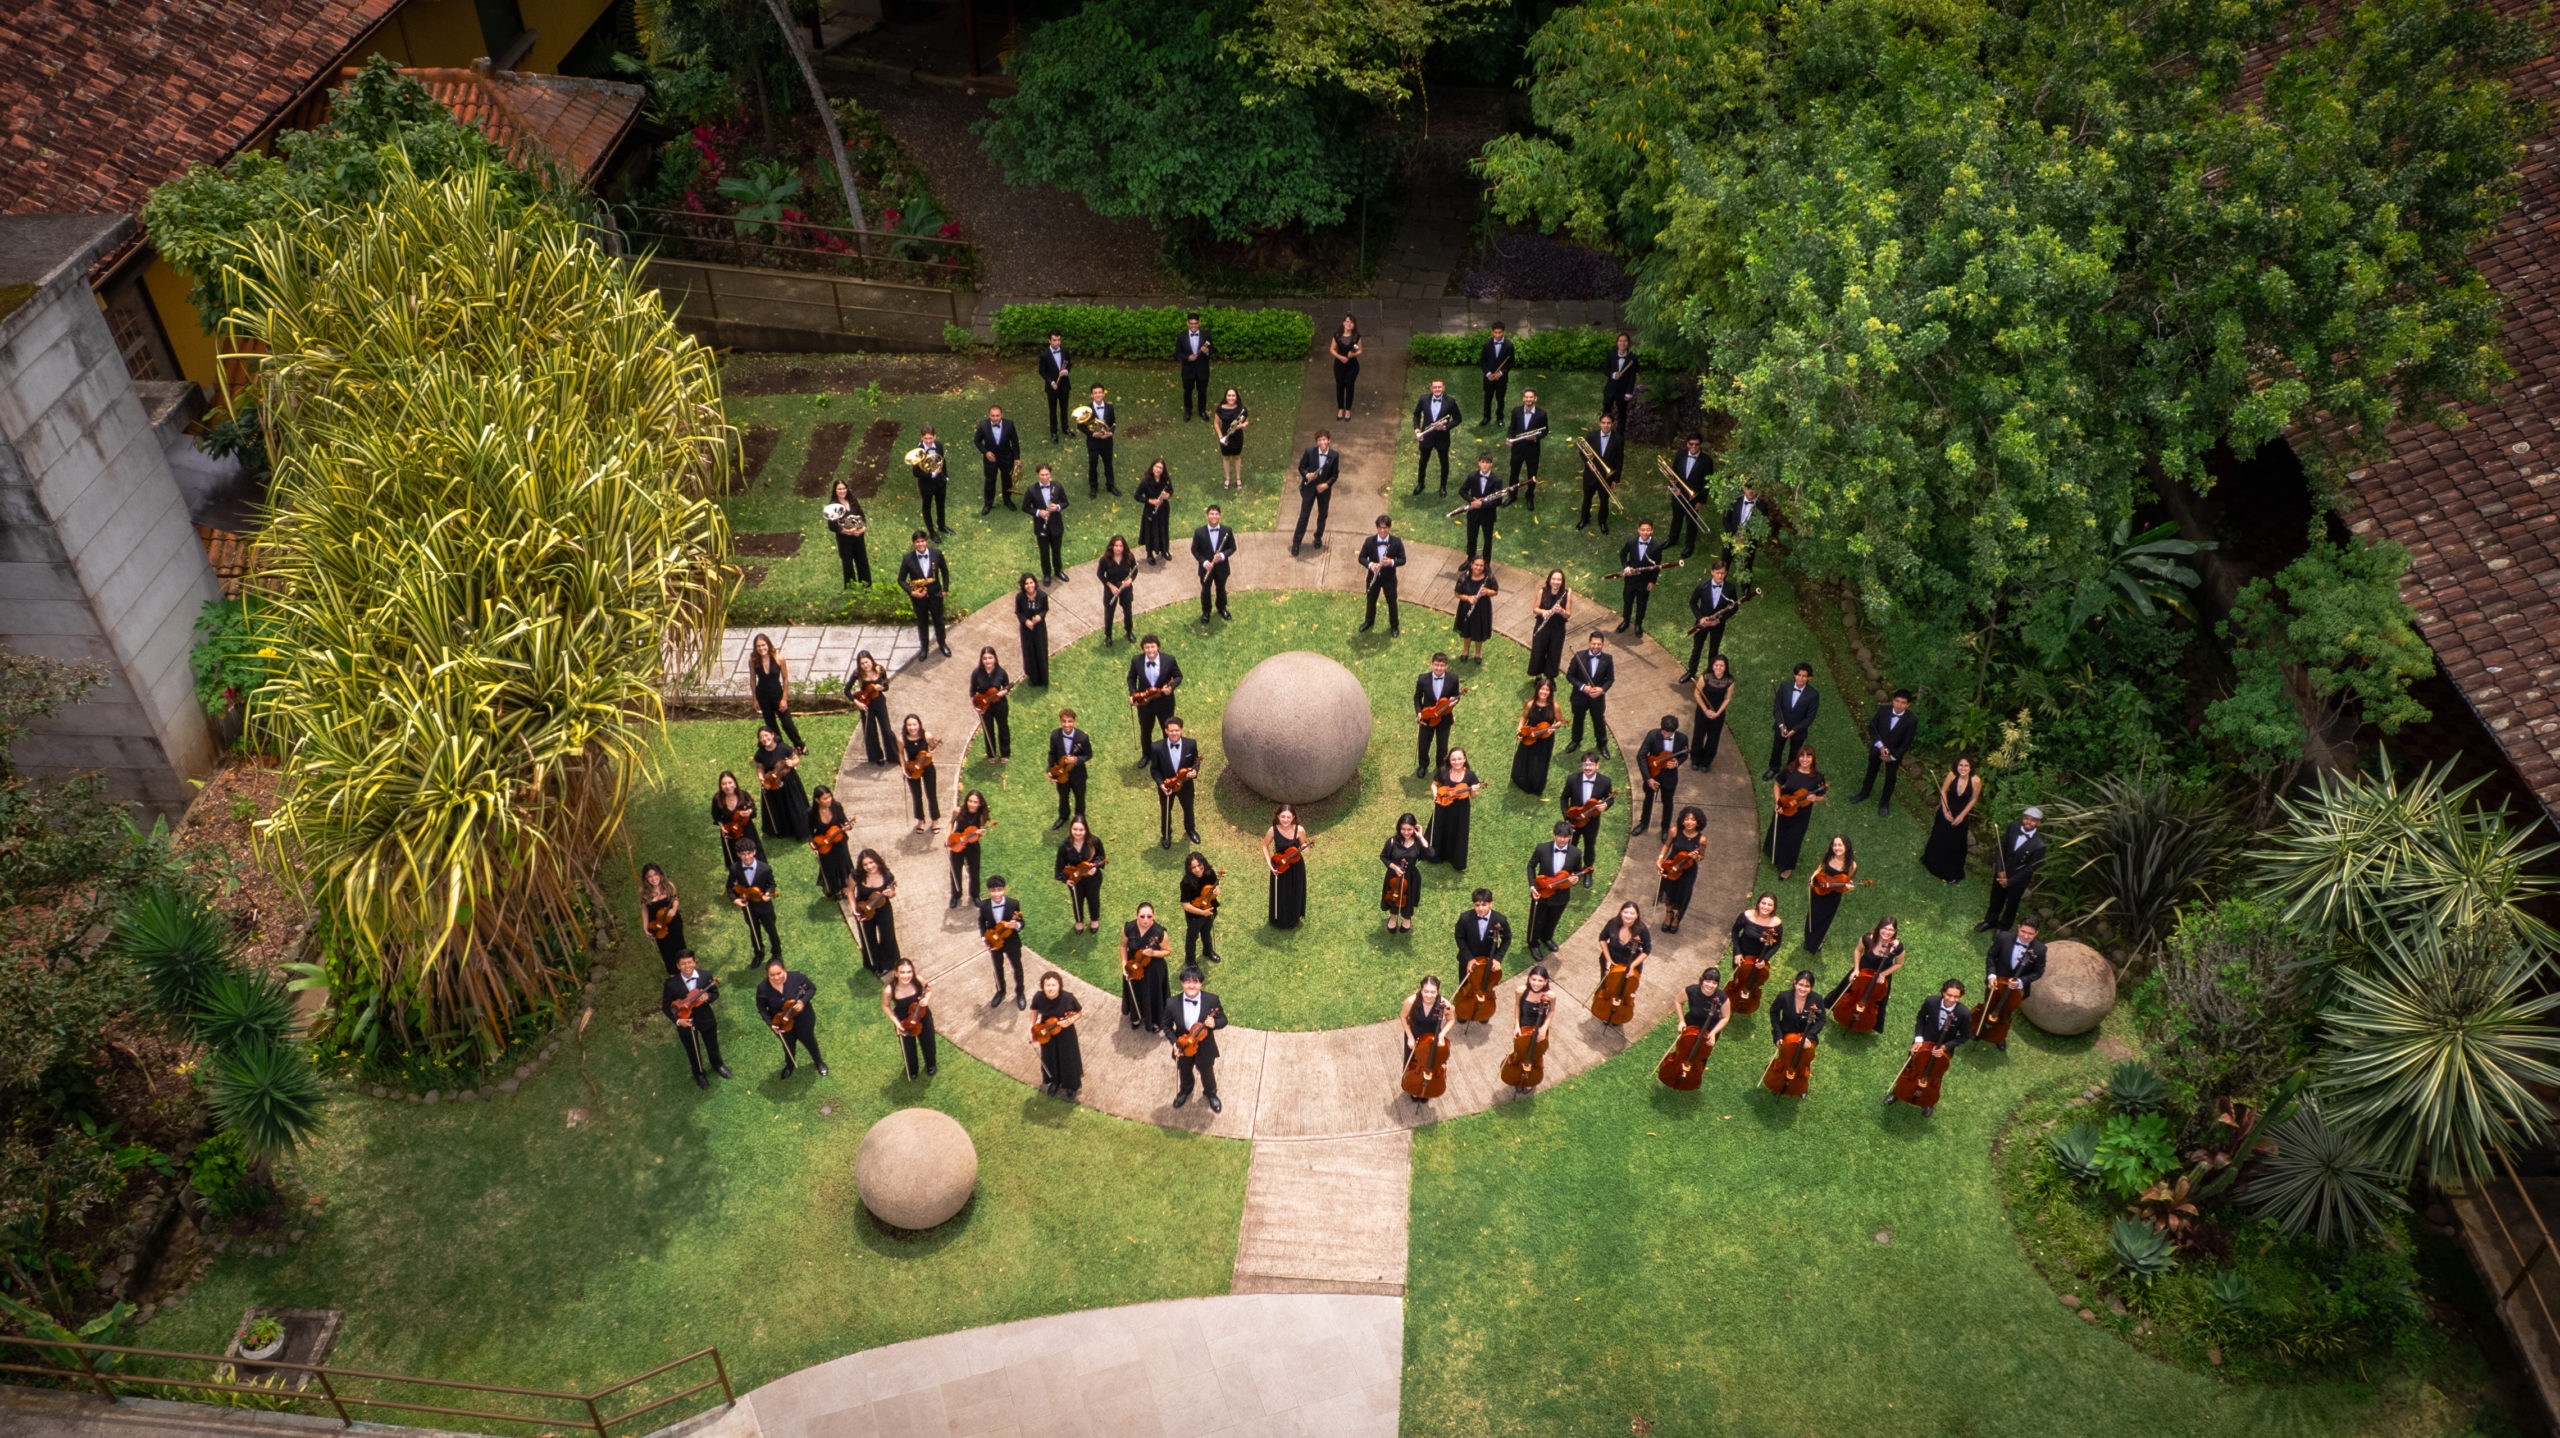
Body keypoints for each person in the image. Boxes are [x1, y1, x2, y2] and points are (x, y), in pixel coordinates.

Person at [1885, 979, 1973, 1116]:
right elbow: (1921, 1018)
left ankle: (1929, 1102)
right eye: (1949, 995)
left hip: (1942, 1052)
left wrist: (1945, 1047)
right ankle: (1897, 1093)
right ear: (1943, 992)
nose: (1951, 999)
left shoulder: (1964, 1013)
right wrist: (1918, 1039)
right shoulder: (1931, 1001)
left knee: (1936, 1076)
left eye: (1956, 997)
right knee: (1910, 1068)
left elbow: (1965, 1036)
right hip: (1923, 1043)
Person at [1765, 969, 1847, 1098]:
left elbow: (1821, 1019)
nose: (1803, 989)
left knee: (1804, 1061)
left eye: (1807, 986)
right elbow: (1774, 1012)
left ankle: (1802, 1087)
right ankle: (1778, 1081)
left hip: (1808, 1036)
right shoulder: (1784, 996)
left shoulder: (1817, 999)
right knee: (1784, 1058)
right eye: (1801, 985)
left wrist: (1809, 1036)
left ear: (1811, 987)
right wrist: (1778, 1034)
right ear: (1795, 983)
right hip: (1786, 1033)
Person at [662, 953, 729, 1088]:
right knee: (692, 1050)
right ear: (678, 966)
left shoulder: (706, 976)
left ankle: (718, 1065)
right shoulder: (671, 984)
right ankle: (699, 1074)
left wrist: (708, 997)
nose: (687, 966)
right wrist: (678, 1022)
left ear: (694, 963)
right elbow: (666, 1007)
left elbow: (715, 993)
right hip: (685, 1021)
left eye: (689, 962)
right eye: (683, 963)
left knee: (712, 1045)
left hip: (706, 1017)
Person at [1977, 807, 2048, 933]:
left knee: (2011, 905)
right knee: (1995, 899)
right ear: (2022, 818)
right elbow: (2000, 848)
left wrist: (2009, 882)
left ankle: (2003, 927)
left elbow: (2029, 869)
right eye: (2026, 818)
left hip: (2017, 882)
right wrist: (1999, 870)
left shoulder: (2039, 845)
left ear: (2038, 823)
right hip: (2001, 874)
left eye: (2033, 820)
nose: (2028, 822)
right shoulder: (2013, 827)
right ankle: (1990, 921)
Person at [1167, 967, 1228, 1112]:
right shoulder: (1172, 1003)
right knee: (1184, 1071)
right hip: (1183, 1046)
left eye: (1195, 982)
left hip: (1205, 1047)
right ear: (1182, 983)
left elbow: (1223, 1020)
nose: (1191, 985)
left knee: (1207, 1072)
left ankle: (1211, 1093)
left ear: (1201, 984)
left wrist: (1214, 1024)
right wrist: (1175, 1043)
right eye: (1187, 982)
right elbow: (1166, 1025)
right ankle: (1185, 1091)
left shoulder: (1212, 1000)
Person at [1979, 921, 2047, 1050]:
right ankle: (1979, 1028)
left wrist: (2021, 981)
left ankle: (2000, 1036)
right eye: (2023, 931)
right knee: (1988, 1005)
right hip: (1996, 984)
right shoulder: (2003, 937)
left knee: (2006, 1013)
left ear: (2036, 933)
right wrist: (1991, 975)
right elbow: (1991, 956)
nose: (2025, 936)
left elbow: (2038, 972)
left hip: (2016, 991)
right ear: (2018, 928)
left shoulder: (2040, 949)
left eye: (2030, 934)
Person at [755, 959, 827, 1079]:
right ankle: (789, 1066)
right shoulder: (763, 988)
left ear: (784, 969)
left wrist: (803, 1002)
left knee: (810, 1042)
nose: (776, 977)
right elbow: (761, 1008)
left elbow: (811, 989)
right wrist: (771, 1024)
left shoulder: (797, 978)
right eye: (772, 975)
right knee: (788, 1046)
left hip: (803, 1020)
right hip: (782, 1024)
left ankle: (819, 1062)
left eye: (779, 973)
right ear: (767, 974)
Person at [1525, 822, 1587, 961]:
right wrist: (1532, 886)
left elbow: (1577, 871)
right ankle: (1533, 943)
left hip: (1561, 894)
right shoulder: (1542, 848)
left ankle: (1547, 938)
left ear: (1570, 837)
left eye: (1565, 837)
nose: (1562, 839)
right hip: (1542, 891)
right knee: (1537, 920)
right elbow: (1531, 866)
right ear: (1554, 835)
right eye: (1559, 836)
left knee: (1553, 919)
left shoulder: (1576, 853)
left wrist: (1575, 878)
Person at [1850, 690, 1918, 816]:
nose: (1899, 705)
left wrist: (1892, 756)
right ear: (1893, 700)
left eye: (1903, 703)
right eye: (1897, 701)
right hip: (1877, 749)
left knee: (1890, 778)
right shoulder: (1883, 711)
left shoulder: (1911, 720)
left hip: (1894, 755)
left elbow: (1906, 742)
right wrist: (1880, 746)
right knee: (1871, 771)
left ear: (1908, 705)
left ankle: (1884, 802)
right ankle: (1864, 792)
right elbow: (1872, 728)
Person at [1835, 917, 1906, 1032]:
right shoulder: (1868, 939)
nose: (1887, 932)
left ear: (1895, 931)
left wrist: (1883, 974)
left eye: (1891, 930)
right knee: (1849, 991)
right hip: (1862, 970)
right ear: (1879, 928)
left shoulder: (1897, 947)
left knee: (1876, 1000)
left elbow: (1899, 964)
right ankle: (1840, 1011)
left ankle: (1868, 1021)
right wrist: (1856, 969)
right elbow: (1857, 951)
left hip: (1881, 976)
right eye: (1884, 928)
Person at [1768, 746, 1828, 878]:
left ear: (1813, 758)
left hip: (1800, 816)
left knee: (1793, 841)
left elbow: (1822, 796)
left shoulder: (1817, 778)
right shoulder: (1790, 770)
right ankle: (1775, 856)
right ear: (1798, 757)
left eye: (1808, 756)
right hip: (1784, 808)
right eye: (1802, 756)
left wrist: (1815, 798)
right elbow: (1777, 784)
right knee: (1779, 835)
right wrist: (1777, 802)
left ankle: (1787, 868)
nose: (1805, 759)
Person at [1923, 756, 1983, 884]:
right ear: (1957, 766)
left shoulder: (1976, 780)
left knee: (1956, 844)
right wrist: (1945, 810)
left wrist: (1961, 816)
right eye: (1961, 765)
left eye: (1966, 765)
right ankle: (1932, 863)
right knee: (1939, 837)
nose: (1963, 768)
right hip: (1946, 810)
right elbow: (1943, 791)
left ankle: (1951, 873)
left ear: (1971, 767)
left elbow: (1973, 799)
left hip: (1961, 813)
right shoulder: (1952, 775)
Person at [1680, 562, 1741, 680]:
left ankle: (1709, 675)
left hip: (1718, 625)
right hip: (1703, 623)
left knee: (1714, 650)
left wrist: (1720, 619)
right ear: (1712, 572)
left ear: (1726, 573)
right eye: (1718, 573)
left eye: (1723, 573)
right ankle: (1691, 671)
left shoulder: (1730, 588)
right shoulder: (1702, 586)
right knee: (1697, 648)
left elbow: (1735, 607)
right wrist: (1700, 618)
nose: (1720, 576)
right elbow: (1692, 603)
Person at [1631, 714, 1690, 836]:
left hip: (1670, 777)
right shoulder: (1652, 735)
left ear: (1675, 731)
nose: (1665, 735)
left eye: (1669, 734)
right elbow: (1641, 756)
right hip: (1653, 773)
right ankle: (1643, 823)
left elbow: (1684, 755)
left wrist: (1677, 763)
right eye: (1664, 732)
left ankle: (1665, 828)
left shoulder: (1682, 738)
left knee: (1668, 802)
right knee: (1648, 799)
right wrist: (1648, 778)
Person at [1126, 634, 1183, 758]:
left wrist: (1171, 687)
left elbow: (1178, 676)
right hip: (1144, 704)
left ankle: (1168, 754)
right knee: (1145, 731)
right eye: (1147, 648)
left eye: (1153, 647)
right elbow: (1131, 678)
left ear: (1158, 647)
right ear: (1143, 649)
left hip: (1165, 704)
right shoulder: (1136, 661)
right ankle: (1146, 755)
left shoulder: (1169, 660)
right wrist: (1133, 694)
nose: (1150, 650)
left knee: (1166, 729)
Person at [1427, 747, 1484, 872]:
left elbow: (1474, 797)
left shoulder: (1470, 775)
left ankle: (1456, 860)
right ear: (1449, 760)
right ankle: (1436, 855)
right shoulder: (1443, 771)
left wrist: (1474, 790)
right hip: (1443, 805)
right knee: (1439, 829)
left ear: (1464, 759)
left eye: (1459, 759)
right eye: (1453, 759)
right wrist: (1435, 793)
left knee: (1458, 832)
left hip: (1460, 810)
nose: (1456, 762)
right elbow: (1434, 784)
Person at [1028, 971, 1083, 1098]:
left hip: (1066, 1033)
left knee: (1068, 1058)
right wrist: (1031, 1027)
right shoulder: (1038, 997)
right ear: (1043, 986)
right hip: (1046, 1031)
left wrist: (1069, 1021)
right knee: (1049, 1057)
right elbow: (1034, 1009)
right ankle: (1055, 1082)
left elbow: (1079, 1013)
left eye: (1054, 985)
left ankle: (1071, 1085)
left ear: (1059, 986)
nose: (1050, 988)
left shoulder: (1068, 998)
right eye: (1047, 985)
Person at [1595, 902, 1650, 1027]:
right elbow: (1602, 938)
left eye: (1632, 913)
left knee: (1625, 991)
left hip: (1630, 965)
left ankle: (1618, 1014)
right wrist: (1608, 959)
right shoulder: (1613, 923)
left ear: (1637, 916)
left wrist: (1632, 966)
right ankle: (1604, 1011)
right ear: (1621, 912)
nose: (1628, 916)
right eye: (1626, 912)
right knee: (1607, 987)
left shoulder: (1641, 929)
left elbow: (1647, 950)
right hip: (1611, 960)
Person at [897, 530, 951, 658]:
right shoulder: (907, 559)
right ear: (913, 543)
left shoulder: (937, 554)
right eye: (917, 542)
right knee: (922, 623)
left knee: (939, 621)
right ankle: (924, 648)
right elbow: (901, 580)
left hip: (935, 595)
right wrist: (912, 592)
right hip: (919, 599)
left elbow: (945, 572)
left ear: (926, 541)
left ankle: (942, 644)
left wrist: (945, 589)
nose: (920, 544)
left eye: (922, 541)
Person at [1151, 716, 1203, 848]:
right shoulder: (1156, 747)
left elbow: (1195, 762)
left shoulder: (1191, 744)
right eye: (1171, 731)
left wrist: (1195, 771)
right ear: (1166, 731)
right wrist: (1161, 784)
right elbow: (1154, 769)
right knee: (1166, 811)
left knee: (1188, 808)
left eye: (1177, 730)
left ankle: (1190, 830)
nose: (1174, 733)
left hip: (1185, 786)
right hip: (1167, 787)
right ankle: (1166, 835)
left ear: (1181, 730)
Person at [1120, 901, 1172, 1032]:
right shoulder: (1129, 927)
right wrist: (1124, 966)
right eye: (1142, 916)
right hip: (1134, 967)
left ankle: (1155, 1020)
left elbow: (1167, 951)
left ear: (1153, 916)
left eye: (1149, 916)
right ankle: (1136, 1015)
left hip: (1154, 970)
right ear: (1136, 915)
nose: (1145, 920)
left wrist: (1153, 953)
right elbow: (1122, 947)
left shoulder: (1160, 932)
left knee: (1153, 994)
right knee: (1135, 991)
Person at [881, 958, 936, 1078]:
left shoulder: (918, 980)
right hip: (903, 1020)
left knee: (928, 1042)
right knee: (908, 1047)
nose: (906, 976)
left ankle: (931, 1065)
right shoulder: (890, 989)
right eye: (902, 972)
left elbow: (928, 990)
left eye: (909, 972)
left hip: (922, 1015)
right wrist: (897, 1023)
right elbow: (885, 1006)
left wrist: (926, 999)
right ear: (896, 973)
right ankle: (913, 1070)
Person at [754, 726, 811, 842]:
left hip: (789, 783)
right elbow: (760, 767)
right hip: (772, 783)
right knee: (778, 807)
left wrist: (791, 762)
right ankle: (781, 830)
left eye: (766, 735)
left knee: (793, 805)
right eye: (761, 737)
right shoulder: (760, 754)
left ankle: (799, 829)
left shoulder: (783, 748)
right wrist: (761, 778)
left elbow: (796, 759)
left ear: (772, 734)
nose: (764, 739)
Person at [1729, 892, 1784, 1011]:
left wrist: (1765, 959)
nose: (1765, 907)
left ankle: (1746, 1000)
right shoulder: (1747, 916)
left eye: (1770, 905)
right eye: (1763, 903)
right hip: (1742, 953)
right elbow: (1734, 932)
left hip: (1760, 956)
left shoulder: (1776, 923)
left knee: (1753, 981)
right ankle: (1732, 998)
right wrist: (1737, 952)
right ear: (1758, 903)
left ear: (1774, 907)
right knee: (1739, 977)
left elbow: (1777, 944)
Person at [730, 838, 782, 964]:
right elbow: (729, 887)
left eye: (748, 853)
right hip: (748, 907)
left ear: (754, 852)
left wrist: (768, 893)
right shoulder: (735, 869)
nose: (746, 857)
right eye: (743, 854)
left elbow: (771, 884)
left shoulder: (764, 868)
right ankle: (758, 952)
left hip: (764, 907)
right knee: (754, 930)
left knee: (771, 930)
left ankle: (777, 952)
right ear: (738, 855)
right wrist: (735, 900)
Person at [1802, 835, 1857, 953]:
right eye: (1834, 845)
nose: (1836, 848)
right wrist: (1813, 876)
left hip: (1833, 896)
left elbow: (1847, 881)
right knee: (1812, 916)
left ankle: (1818, 941)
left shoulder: (1851, 865)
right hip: (1819, 890)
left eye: (1839, 845)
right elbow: (1820, 867)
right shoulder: (1829, 855)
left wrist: (1849, 887)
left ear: (1846, 846)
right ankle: (1808, 939)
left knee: (1824, 919)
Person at [1508, 966, 1558, 1095]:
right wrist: (1517, 1025)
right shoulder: (1521, 991)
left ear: (1546, 981)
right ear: (1529, 978)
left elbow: (1551, 1011)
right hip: (1523, 1025)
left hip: (1540, 1027)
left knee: (1536, 1054)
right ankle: (1518, 1074)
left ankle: (1531, 1080)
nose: (1536, 983)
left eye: (1540, 981)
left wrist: (1544, 1028)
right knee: (1519, 1051)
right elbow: (1517, 1005)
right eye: (1534, 979)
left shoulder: (1550, 995)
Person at [1656, 806, 1706, 932]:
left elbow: (1701, 857)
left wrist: (1696, 857)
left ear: (1698, 822)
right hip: (1672, 865)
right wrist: (1660, 859)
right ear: (1682, 820)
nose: (1689, 822)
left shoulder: (1701, 839)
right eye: (1686, 819)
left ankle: (1677, 918)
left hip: (1688, 870)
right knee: (1669, 890)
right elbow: (1667, 845)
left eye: (1693, 820)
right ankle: (1668, 914)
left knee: (1683, 893)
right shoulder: (1674, 831)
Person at [1663, 434, 1714, 557]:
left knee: (1691, 522)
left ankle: (1689, 546)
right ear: (1687, 444)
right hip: (1678, 493)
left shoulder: (1707, 461)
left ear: (1700, 445)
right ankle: (1672, 539)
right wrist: (1674, 487)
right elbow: (1673, 474)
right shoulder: (1680, 455)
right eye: (1691, 444)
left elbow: (1707, 483)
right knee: (1676, 518)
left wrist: (1701, 500)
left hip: (1694, 496)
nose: (1694, 447)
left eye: (1696, 444)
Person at [1766, 662, 1819, 780]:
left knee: (1795, 753)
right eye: (1799, 675)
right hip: (1781, 727)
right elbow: (1777, 707)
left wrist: (1795, 730)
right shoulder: (1785, 686)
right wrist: (1781, 724)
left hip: (1798, 730)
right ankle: (1773, 768)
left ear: (1809, 678)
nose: (1801, 678)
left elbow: (1810, 717)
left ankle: (1788, 772)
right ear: (1795, 675)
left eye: (1804, 676)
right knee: (1777, 748)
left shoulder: (1813, 694)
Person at [1055, 816, 1107, 936]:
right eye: (1075, 829)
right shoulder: (1064, 846)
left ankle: (1094, 919)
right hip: (1075, 879)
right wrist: (1066, 880)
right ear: (1071, 829)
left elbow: (1101, 858)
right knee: (1077, 901)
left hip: (1093, 878)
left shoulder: (1094, 842)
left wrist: (1095, 867)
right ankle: (1079, 921)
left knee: (1093, 899)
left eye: (1081, 830)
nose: (1078, 833)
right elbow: (1059, 866)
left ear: (1086, 830)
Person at [979, 876, 1026, 1008]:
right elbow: (981, 922)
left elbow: (1021, 921)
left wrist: (1016, 925)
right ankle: (1001, 991)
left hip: (1012, 943)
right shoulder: (984, 906)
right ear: (989, 891)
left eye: (999, 890)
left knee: (1017, 968)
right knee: (997, 968)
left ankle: (1020, 993)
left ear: (1004, 889)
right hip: (995, 943)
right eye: (993, 891)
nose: (997, 894)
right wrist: (984, 938)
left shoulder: (1013, 904)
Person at [1564, 632, 1614, 754]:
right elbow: (1570, 676)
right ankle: (1575, 740)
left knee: (1599, 721)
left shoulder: (1608, 659)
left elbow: (1610, 679)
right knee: (1578, 719)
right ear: (1589, 643)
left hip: (1597, 699)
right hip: (1579, 697)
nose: (1596, 646)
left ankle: (1602, 744)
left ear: (1603, 644)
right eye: (1593, 643)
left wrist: (1602, 689)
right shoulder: (1579, 656)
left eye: (1599, 644)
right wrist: (1582, 687)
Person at [852, 849, 900, 975]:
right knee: (868, 937)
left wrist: (891, 893)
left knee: (887, 936)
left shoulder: (886, 875)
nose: (869, 867)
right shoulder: (857, 875)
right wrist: (853, 908)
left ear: (877, 861)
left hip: (883, 909)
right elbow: (850, 891)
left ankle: (888, 964)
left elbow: (892, 892)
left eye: (871, 862)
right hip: (863, 909)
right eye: (865, 864)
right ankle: (873, 964)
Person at [1413, 651, 1460, 775]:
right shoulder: (1423, 679)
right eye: (1436, 665)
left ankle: (1441, 767)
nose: (1439, 668)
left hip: (1444, 719)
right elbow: (1417, 697)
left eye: (1442, 665)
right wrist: (1419, 712)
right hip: (1428, 717)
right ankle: (1423, 765)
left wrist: (1455, 701)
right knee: (1423, 744)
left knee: (1442, 746)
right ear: (1431, 665)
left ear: (1446, 666)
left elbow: (1456, 695)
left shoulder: (1453, 679)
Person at [1291, 432, 1338, 555]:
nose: (1322, 442)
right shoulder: (1309, 452)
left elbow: (1335, 474)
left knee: (1322, 515)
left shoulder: (1334, 456)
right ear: (1317, 442)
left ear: (1329, 441)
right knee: (1304, 516)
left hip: (1324, 491)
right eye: (1319, 440)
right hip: (1309, 488)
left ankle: (1318, 537)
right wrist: (1307, 475)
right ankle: (1296, 542)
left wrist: (1326, 485)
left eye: (1324, 440)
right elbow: (1301, 467)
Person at [1576, 413, 1624, 534]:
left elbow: (1619, 460)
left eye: (1608, 423)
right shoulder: (1592, 436)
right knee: (1587, 498)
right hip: (1590, 475)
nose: (1606, 425)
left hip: (1607, 476)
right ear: (1599, 423)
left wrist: (1616, 479)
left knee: (1604, 501)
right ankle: (1584, 519)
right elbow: (1582, 451)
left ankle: (1602, 522)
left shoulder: (1618, 439)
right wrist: (1588, 462)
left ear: (1612, 424)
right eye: (1603, 422)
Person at [1359, 514, 1407, 635]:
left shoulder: (1396, 542)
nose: (1382, 530)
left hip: (1389, 578)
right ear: (1376, 528)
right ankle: (1369, 621)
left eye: (1385, 528)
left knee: (1391, 601)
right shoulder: (1369, 541)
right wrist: (1371, 565)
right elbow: (1361, 558)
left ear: (1389, 528)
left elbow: (1402, 559)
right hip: (1373, 578)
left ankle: (1394, 626)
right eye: (1380, 527)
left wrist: (1391, 562)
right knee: (1371, 600)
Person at [845, 651, 894, 766]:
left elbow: (886, 686)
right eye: (862, 664)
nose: (865, 665)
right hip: (865, 705)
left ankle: (892, 755)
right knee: (871, 731)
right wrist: (857, 703)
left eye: (866, 662)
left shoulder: (880, 670)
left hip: (879, 702)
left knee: (886, 729)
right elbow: (846, 690)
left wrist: (880, 688)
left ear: (871, 660)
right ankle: (877, 757)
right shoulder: (857, 674)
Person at [1455, 888, 1512, 987]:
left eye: (1484, 905)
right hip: (1468, 960)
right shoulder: (1465, 918)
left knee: (1486, 987)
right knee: (1464, 988)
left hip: (1488, 962)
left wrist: (1498, 958)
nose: (1480, 908)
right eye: (1477, 905)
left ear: (1491, 904)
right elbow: (1459, 937)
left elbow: (1507, 939)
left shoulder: (1500, 920)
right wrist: (1469, 958)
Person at [1381, 812, 1428, 932]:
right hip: (1394, 875)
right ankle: (1393, 916)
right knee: (1394, 896)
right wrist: (1395, 868)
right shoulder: (1392, 841)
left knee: (1409, 898)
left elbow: (1430, 853)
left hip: (1411, 876)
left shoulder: (1418, 843)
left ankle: (1407, 918)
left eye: (1409, 829)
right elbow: (1384, 857)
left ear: (1414, 828)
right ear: (1399, 828)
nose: (1406, 832)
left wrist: (1421, 837)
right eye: (1403, 829)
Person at [1412, 379, 1460, 495]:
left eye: (1439, 387)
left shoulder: (1450, 402)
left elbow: (1458, 419)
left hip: (1442, 438)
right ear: (1431, 388)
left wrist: (1445, 427)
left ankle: (1443, 487)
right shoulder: (1423, 399)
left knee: (1444, 463)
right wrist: (1417, 428)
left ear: (1443, 388)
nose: (1437, 389)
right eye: (1435, 387)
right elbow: (1416, 415)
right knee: (1423, 461)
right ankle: (1420, 484)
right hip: (1426, 436)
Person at [1513, 679, 1561, 796]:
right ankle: (1521, 780)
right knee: (1524, 757)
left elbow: (1560, 721)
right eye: (1542, 689)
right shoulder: (1530, 704)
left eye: (1547, 690)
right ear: (1538, 690)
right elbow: (1523, 718)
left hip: (1545, 739)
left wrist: (1553, 728)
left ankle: (1536, 784)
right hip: (1529, 735)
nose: (1544, 692)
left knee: (1539, 762)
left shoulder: (1554, 706)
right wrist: (1519, 729)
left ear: (1550, 692)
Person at [1560, 752, 1613, 857]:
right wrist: (1567, 817)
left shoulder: (1605, 782)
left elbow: (1610, 798)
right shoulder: (1572, 779)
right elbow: (1564, 798)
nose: (1587, 768)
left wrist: (1606, 805)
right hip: (1574, 820)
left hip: (1592, 822)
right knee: (1571, 844)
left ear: (1597, 765)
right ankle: (1571, 866)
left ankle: (1588, 867)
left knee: (1590, 845)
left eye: (1591, 765)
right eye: (1585, 764)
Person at [1265, 805, 1310, 928]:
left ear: (1293, 817)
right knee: (1279, 893)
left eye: (1288, 817)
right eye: (1283, 816)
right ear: (1278, 816)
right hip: (1279, 866)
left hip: (1296, 867)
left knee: (1294, 891)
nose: (1285, 819)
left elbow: (1303, 845)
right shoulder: (1272, 830)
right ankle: (1277, 919)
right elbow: (1264, 846)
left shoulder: (1300, 830)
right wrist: (1270, 864)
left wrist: (1305, 848)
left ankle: (1293, 918)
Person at [1047, 709, 1093, 828]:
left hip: (1078, 775)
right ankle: (1063, 817)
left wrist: (1077, 760)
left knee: (1080, 798)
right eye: (1064, 721)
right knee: (1063, 797)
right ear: (1060, 721)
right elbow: (1052, 753)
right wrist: (1049, 770)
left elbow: (1088, 755)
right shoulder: (1055, 735)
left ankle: (1080, 818)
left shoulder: (1082, 737)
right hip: (1061, 774)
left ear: (1074, 722)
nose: (1067, 725)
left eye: (1070, 721)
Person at [1025, 463, 1071, 584]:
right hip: (1041, 526)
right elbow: (1025, 507)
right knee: (1044, 552)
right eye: (1042, 475)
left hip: (1056, 525)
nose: (1045, 477)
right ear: (1037, 475)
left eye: (1047, 474)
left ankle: (1058, 571)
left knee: (1057, 551)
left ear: (1050, 474)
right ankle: (1046, 574)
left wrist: (1058, 507)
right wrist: (1039, 512)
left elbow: (1065, 502)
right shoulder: (1031, 489)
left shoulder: (1057, 486)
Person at [1616, 522, 1666, 631]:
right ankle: (1626, 621)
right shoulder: (1631, 542)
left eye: (1648, 530)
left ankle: (1638, 624)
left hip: (1645, 581)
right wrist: (1626, 567)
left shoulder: (1657, 546)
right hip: (1631, 579)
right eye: (1643, 530)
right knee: (1627, 601)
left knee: (1641, 604)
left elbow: (1657, 566)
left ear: (1652, 531)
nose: (1645, 532)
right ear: (1638, 530)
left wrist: (1652, 582)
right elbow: (1622, 554)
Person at [639, 863, 688, 974]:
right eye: (649, 876)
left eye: (655, 874)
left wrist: (674, 910)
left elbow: (675, 898)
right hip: (657, 925)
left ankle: (686, 968)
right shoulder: (643, 891)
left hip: (673, 921)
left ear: (660, 874)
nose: (653, 878)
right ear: (646, 879)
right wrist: (645, 926)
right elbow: (644, 909)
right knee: (665, 949)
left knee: (679, 945)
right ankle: (673, 973)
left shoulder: (669, 885)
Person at [1399, 974, 1452, 1071]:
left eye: (1433, 992)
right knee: (1411, 1064)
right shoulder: (1411, 1001)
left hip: (1433, 1038)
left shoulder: (1443, 1004)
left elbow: (1451, 1020)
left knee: (1432, 1063)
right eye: (1426, 991)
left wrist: (1441, 1036)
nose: (1429, 995)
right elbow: (1403, 1017)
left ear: (1437, 991)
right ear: (1421, 990)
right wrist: (1410, 1037)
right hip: (1414, 1036)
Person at [967, 647, 1012, 762]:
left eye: (990, 658)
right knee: (988, 729)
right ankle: (991, 754)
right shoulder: (976, 673)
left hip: (1000, 704)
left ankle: (1005, 753)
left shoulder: (1001, 672)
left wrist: (1004, 691)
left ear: (995, 658)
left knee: (1003, 728)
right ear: (981, 660)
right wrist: (976, 706)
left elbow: (1007, 685)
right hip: (984, 706)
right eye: (985, 658)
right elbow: (972, 691)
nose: (988, 661)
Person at [1506, 387, 1548, 509]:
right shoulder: (1516, 411)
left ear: (1535, 399)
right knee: (1514, 473)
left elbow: (1545, 431)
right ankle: (1512, 495)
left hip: (1532, 450)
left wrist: (1535, 437)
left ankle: (1529, 496)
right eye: (1526, 397)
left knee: (1532, 476)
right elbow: (1512, 428)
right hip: (1517, 449)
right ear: (1523, 398)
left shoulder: (1541, 414)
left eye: (1531, 397)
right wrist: (1509, 437)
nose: (1528, 399)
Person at [1457, 456, 1505, 563]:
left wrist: (1482, 504)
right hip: (1473, 514)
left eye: (1487, 463)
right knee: (1471, 538)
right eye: (1483, 462)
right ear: (1479, 463)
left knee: (1487, 540)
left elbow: (1498, 501)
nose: (1485, 465)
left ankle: (1486, 564)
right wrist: (1471, 500)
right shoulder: (1472, 476)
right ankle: (1470, 560)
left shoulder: (1497, 480)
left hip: (1488, 515)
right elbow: (1462, 491)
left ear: (1491, 464)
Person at [948, 789, 992, 907]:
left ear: (980, 803)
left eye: (975, 802)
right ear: (966, 801)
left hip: (972, 845)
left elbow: (980, 829)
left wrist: (980, 833)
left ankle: (975, 895)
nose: (972, 804)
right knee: (955, 871)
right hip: (957, 843)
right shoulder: (958, 811)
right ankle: (956, 895)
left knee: (974, 871)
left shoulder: (981, 814)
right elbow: (951, 823)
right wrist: (947, 836)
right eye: (970, 801)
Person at [825, 479, 872, 586]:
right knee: (848, 564)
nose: (842, 491)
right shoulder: (833, 505)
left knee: (863, 561)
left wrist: (863, 528)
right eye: (839, 489)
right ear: (835, 491)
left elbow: (862, 516)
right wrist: (848, 531)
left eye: (844, 488)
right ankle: (851, 587)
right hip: (844, 540)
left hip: (858, 537)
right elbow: (832, 526)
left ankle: (866, 585)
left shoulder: (852, 500)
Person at [1192, 506, 1236, 621]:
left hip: (1221, 567)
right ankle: (1206, 612)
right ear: (1207, 516)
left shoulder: (1227, 531)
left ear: (1220, 516)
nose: (1214, 516)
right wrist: (1204, 562)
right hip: (1206, 568)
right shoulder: (1199, 532)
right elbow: (1194, 550)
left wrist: (1222, 555)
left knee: (1221, 588)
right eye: (1211, 514)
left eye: (1216, 514)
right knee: (1205, 590)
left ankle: (1222, 608)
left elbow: (1232, 547)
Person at [809, 787, 854, 900]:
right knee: (829, 866)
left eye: (829, 797)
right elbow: (809, 830)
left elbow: (843, 821)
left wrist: (848, 826)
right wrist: (811, 842)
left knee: (843, 863)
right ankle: (836, 889)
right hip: (823, 843)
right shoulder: (811, 812)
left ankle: (847, 888)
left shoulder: (837, 806)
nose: (829, 800)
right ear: (817, 800)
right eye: (825, 798)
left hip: (839, 841)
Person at [1691, 656, 1734, 772]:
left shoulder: (1729, 681)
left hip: (1718, 713)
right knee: (1698, 735)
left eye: (1721, 665)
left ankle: (1706, 762)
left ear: (1725, 667)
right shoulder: (1705, 677)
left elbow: (1727, 699)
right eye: (1716, 665)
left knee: (1713, 738)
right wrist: (1705, 710)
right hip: (1702, 711)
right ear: (1712, 665)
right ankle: (1695, 759)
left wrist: (1718, 713)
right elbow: (1697, 694)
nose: (1718, 668)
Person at [973, 404, 1019, 513]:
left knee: (1007, 480)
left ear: (1001, 415)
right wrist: (985, 452)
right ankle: (988, 504)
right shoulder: (983, 425)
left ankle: (1007, 500)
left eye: (997, 416)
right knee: (990, 481)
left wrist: (1017, 458)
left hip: (1006, 457)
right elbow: (977, 441)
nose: (995, 418)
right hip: (991, 459)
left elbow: (1015, 442)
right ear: (989, 416)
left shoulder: (1009, 424)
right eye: (993, 416)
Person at [1179, 851, 1222, 966]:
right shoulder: (1186, 883)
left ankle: (1208, 951)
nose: (1197, 869)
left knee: (1207, 932)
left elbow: (1215, 885)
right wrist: (1202, 913)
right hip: (1195, 915)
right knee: (1192, 938)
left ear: (1203, 863)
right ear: (1189, 869)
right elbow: (1185, 905)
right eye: (1193, 867)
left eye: (1199, 865)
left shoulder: (1209, 873)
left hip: (1210, 909)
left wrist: (1217, 889)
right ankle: (1190, 960)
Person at [899, 714, 940, 832]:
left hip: (927, 767)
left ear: (919, 725)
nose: (912, 727)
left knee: (931, 795)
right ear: (906, 726)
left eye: (914, 724)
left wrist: (932, 753)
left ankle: (935, 820)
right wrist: (903, 768)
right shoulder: (902, 739)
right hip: (912, 769)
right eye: (909, 725)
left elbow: (933, 747)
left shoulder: (927, 735)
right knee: (916, 796)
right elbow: (901, 753)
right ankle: (920, 820)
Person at [1526, 570, 1570, 679]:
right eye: (1553, 579)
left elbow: (1568, 614)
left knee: (1554, 653)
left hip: (1558, 629)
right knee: (1538, 651)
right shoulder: (1542, 591)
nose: (1556, 582)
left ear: (1562, 581)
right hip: (1542, 627)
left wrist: (1561, 611)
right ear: (1549, 580)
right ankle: (1538, 676)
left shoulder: (1566, 594)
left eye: (1559, 579)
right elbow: (1535, 609)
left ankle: (1549, 678)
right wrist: (1544, 612)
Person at [1453, 556, 1498, 662]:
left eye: (1481, 565)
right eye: (1476, 565)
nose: (1478, 567)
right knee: (1466, 630)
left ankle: (1478, 653)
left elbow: (1495, 591)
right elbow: (1457, 593)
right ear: (1471, 565)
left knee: (1479, 630)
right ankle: (1465, 651)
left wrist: (1487, 591)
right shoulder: (1463, 578)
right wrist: (1468, 598)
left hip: (1482, 608)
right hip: (1466, 607)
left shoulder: (1488, 578)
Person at [1096, 534, 1138, 645]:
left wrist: (1130, 580)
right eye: (1116, 546)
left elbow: (1135, 569)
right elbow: (1100, 575)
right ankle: (1108, 636)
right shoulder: (1105, 560)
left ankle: (1129, 632)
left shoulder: (1129, 557)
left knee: (1128, 612)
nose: (1119, 548)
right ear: (1112, 547)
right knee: (1109, 613)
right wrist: (1110, 586)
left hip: (1125, 588)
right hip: (1111, 589)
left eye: (1121, 546)